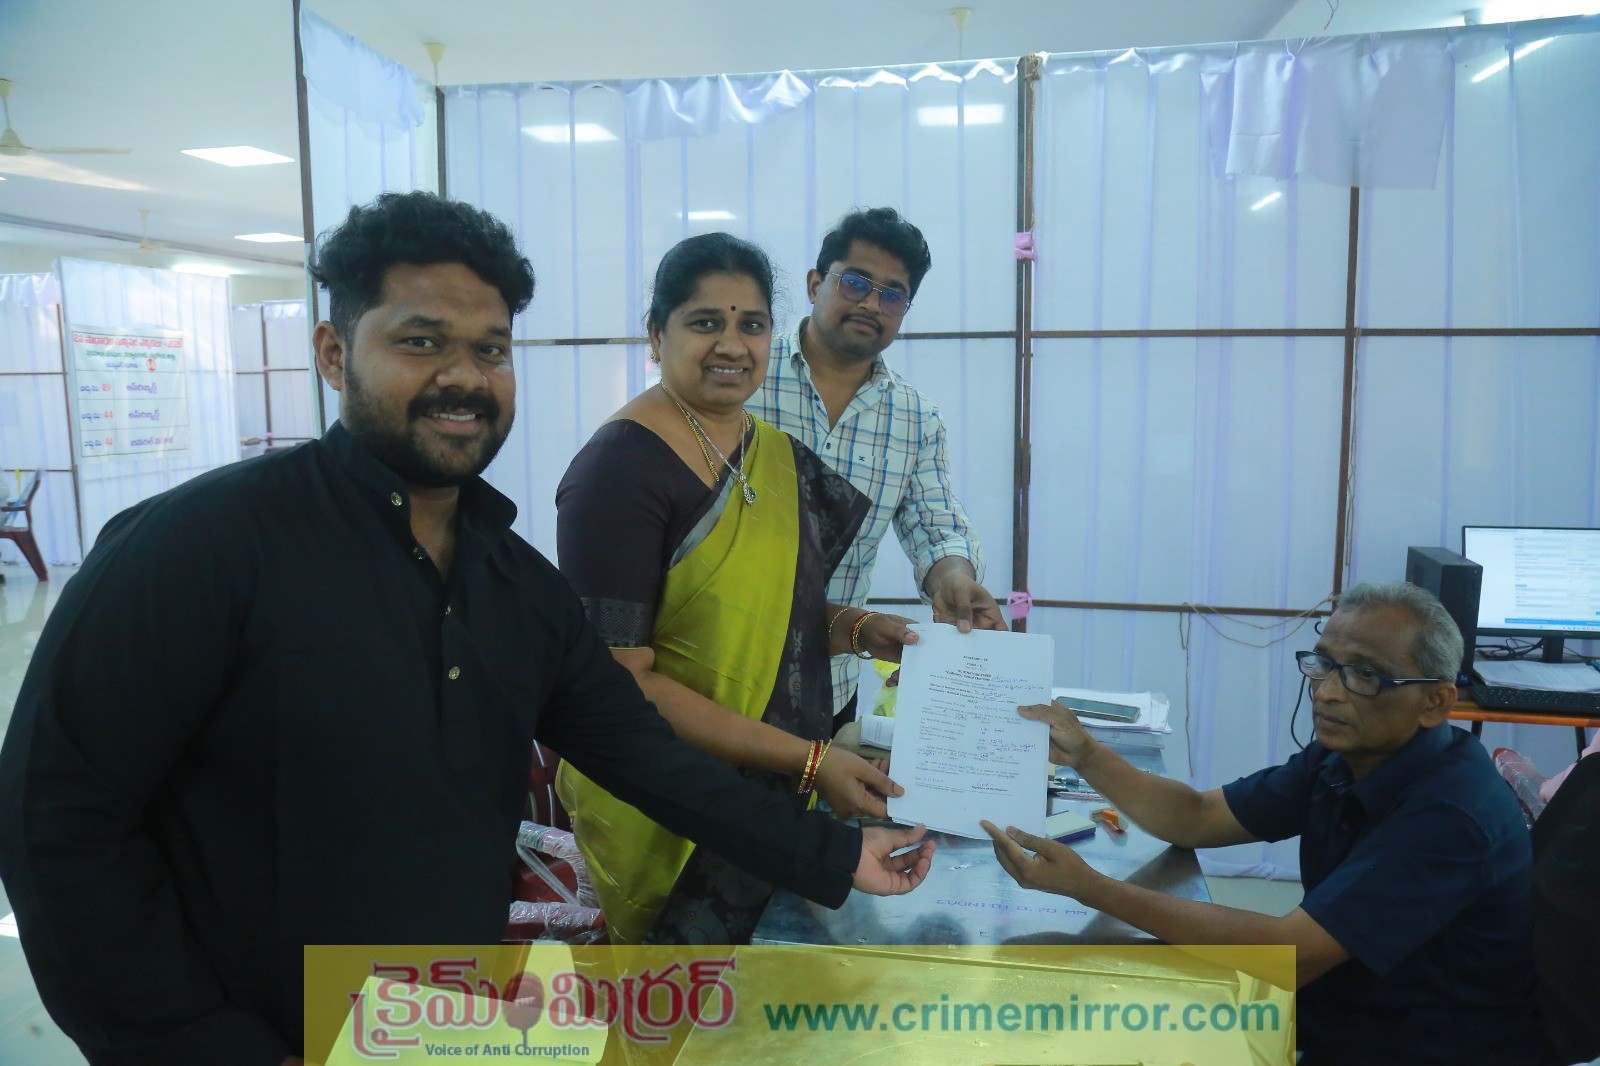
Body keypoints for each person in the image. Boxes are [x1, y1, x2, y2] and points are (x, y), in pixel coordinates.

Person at [0, 192, 934, 1065]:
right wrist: (201, 1043)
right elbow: (59, 820)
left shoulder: (511, 586)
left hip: (442, 1025)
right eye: (421, 342)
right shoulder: (198, 547)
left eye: (491, 349)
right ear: (333, 353)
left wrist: (834, 853)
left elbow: (645, 756)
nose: (463, 377)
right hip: (257, 1028)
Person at [981, 581, 1538, 1065]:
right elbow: (1197, 819)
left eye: (1365, 675)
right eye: (1323, 664)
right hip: (1338, 1012)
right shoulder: (1343, 757)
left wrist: (1090, 887)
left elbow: (1285, 957)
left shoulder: (1450, 814)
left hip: (1418, 1050)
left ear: (1435, 702)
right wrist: (1085, 754)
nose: (1327, 691)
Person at [554, 232, 921, 945]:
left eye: (751, 324)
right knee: (682, 1004)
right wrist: (810, 760)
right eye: (704, 322)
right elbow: (617, 685)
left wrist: (853, 629)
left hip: (765, 794)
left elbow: (759, 616)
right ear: (656, 336)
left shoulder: (768, 450)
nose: (732, 345)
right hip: (668, 802)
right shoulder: (618, 471)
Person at [747, 207, 1005, 730]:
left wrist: (954, 580)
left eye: (893, 295)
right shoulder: (744, 374)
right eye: (856, 282)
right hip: (718, 665)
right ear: (816, 283)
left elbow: (936, 526)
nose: (871, 303)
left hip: (827, 679)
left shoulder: (915, 418)